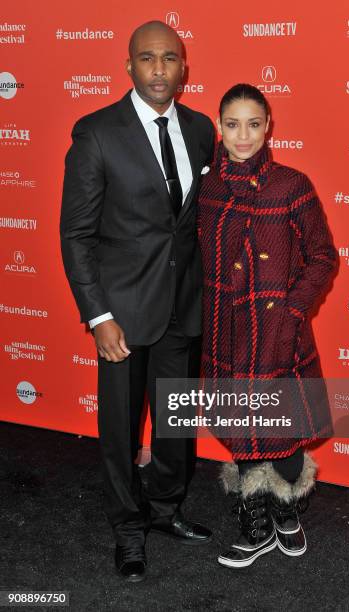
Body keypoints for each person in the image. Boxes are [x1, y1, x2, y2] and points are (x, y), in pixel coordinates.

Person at [60, 21, 215, 582]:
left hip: (183, 308)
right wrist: (98, 315)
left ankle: (168, 508)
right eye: (147, 59)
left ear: (183, 69)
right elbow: (76, 234)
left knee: (176, 425)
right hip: (122, 314)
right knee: (121, 430)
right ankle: (128, 530)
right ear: (129, 66)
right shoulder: (97, 133)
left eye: (169, 59)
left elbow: (195, 224)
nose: (158, 69)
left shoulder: (200, 131)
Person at [197, 84, 338, 569]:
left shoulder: (291, 185)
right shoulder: (209, 186)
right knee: (240, 433)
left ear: (268, 124)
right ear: (219, 127)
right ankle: (254, 525)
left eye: (253, 124)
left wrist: (294, 311)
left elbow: (323, 257)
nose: (243, 136)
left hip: (278, 331)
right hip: (224, 330)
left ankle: (286, 512)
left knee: (284, 438)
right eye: (232, 124)